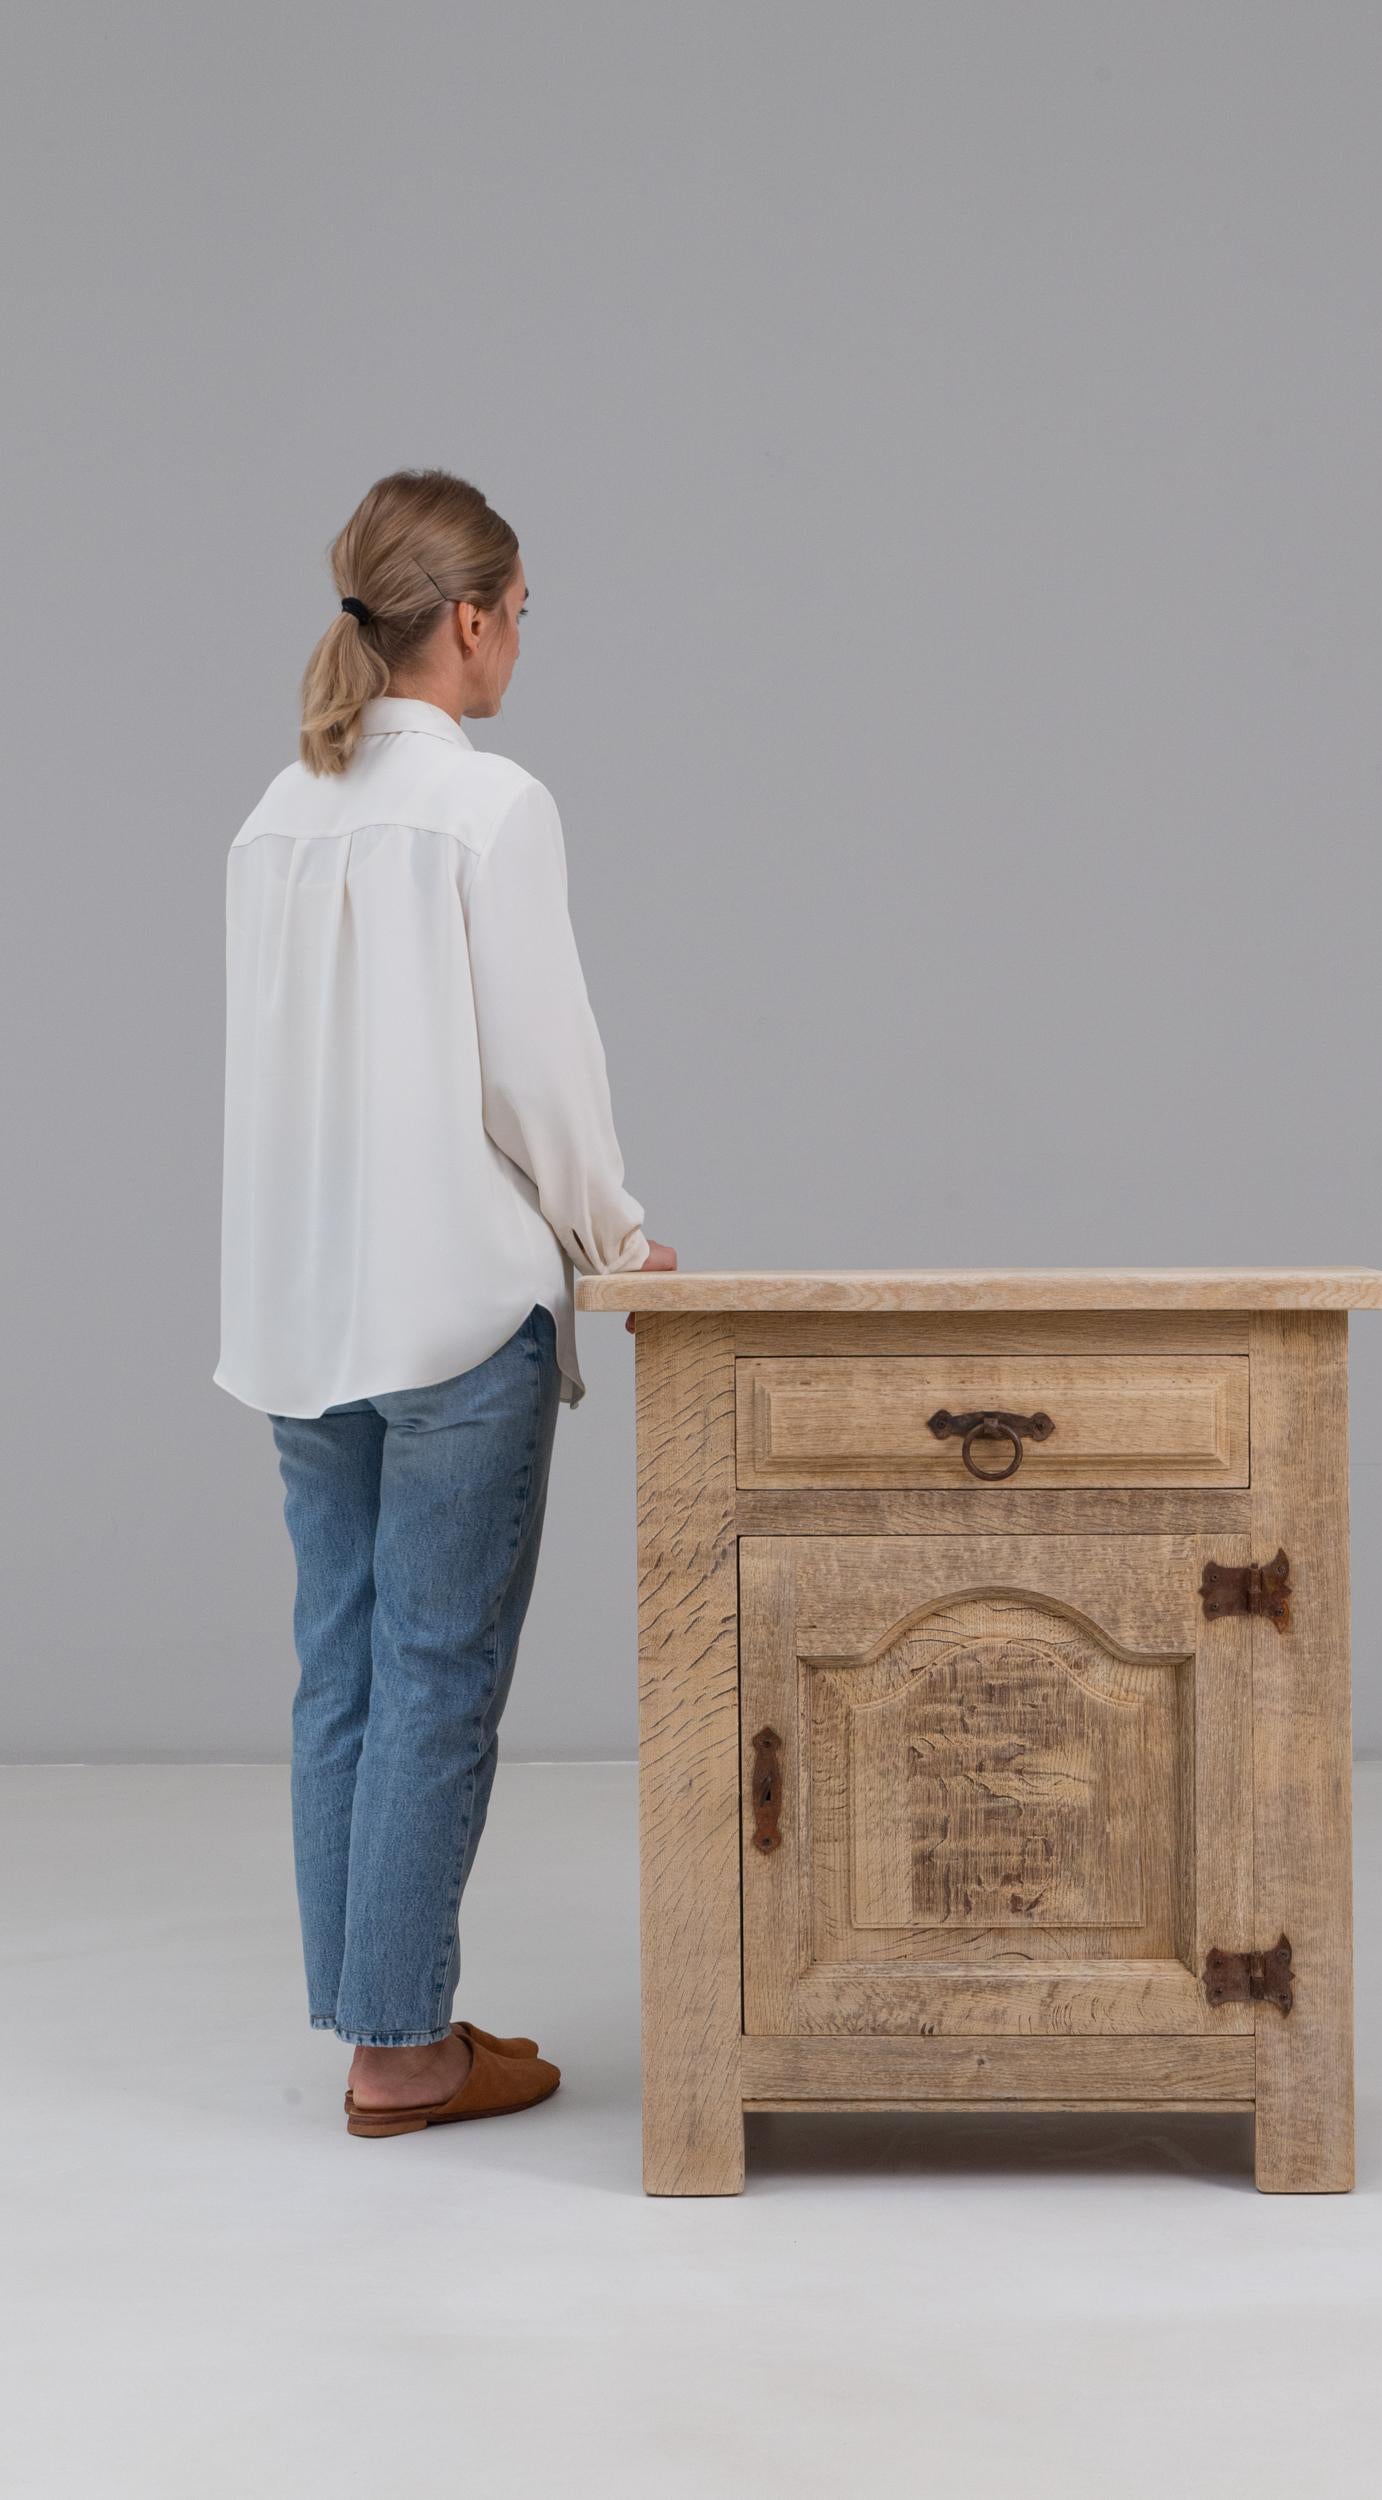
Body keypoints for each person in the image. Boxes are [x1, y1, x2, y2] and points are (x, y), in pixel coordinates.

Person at [212, 468, 677, 2138]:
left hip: (299, 1317)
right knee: (431, 1676)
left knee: (337, 1667)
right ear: (469, 620)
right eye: (522, 615)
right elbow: (543, 1076)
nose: (521, 646)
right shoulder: (491, 809)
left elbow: (271, 1095)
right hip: (458, 1315)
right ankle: (403, 2050)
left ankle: (372, 2017)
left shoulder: (277, 817)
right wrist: (614, 1238)